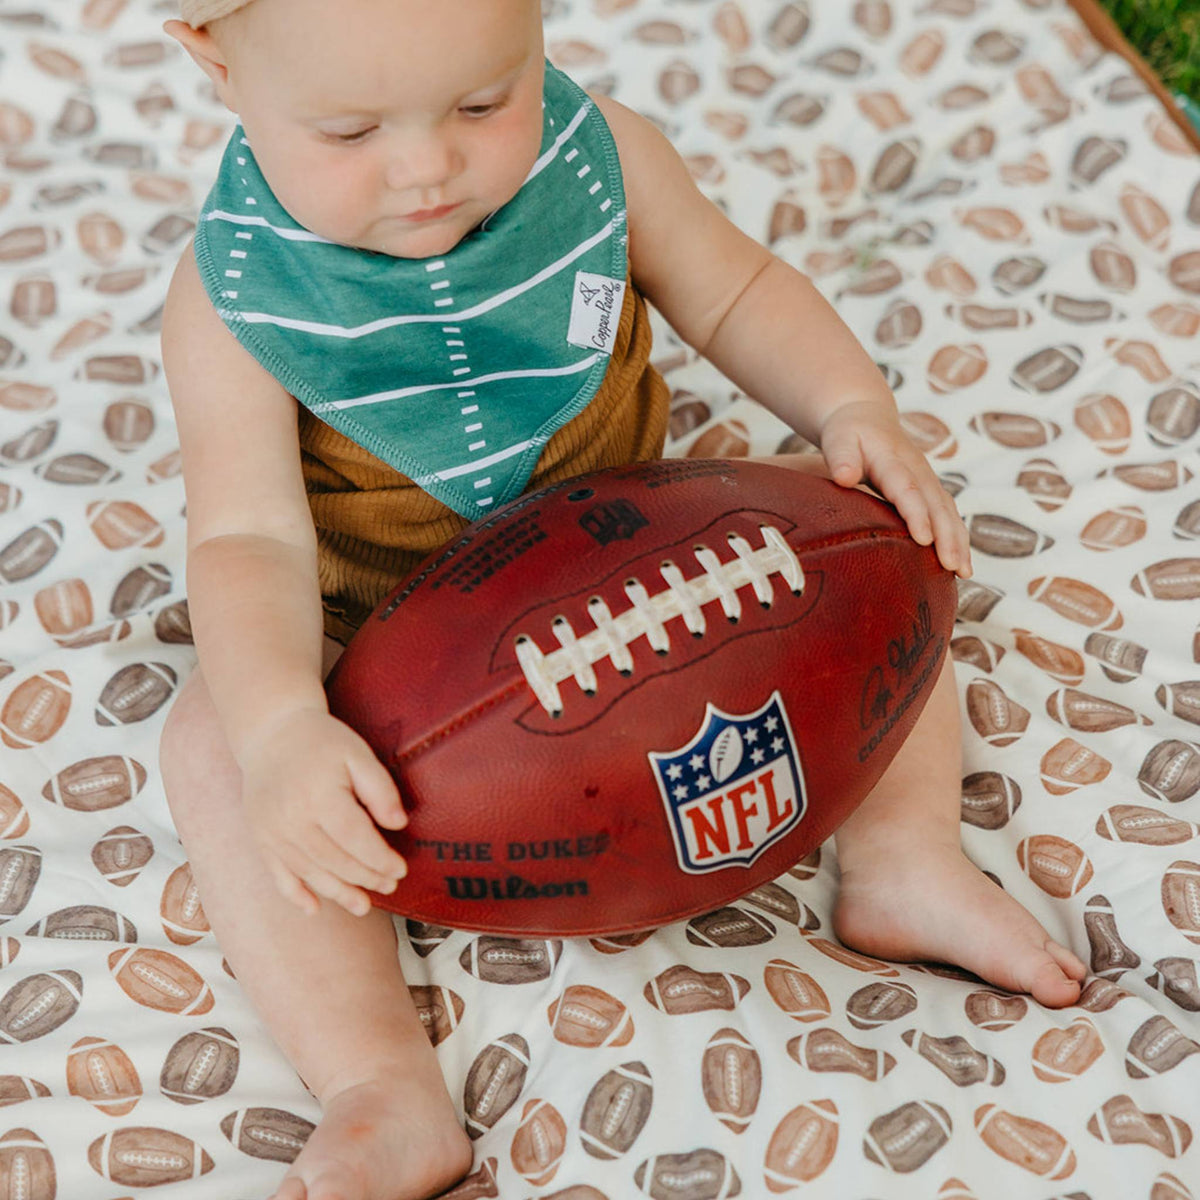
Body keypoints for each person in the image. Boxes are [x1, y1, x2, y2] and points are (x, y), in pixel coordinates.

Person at [158, 1, 1089, 1197]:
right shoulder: (237, 297)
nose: (430, 165)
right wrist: (285, 722)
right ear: (216, 64)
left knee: (864, 542)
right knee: (215, 744)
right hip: (385, 639)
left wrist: (855, 413)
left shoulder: (601, 161)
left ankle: (906, 860)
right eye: (347, 132)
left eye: (487, 101)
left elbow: (740, 290)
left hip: (633, 543)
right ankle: (377, 1081)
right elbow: (246, 538)